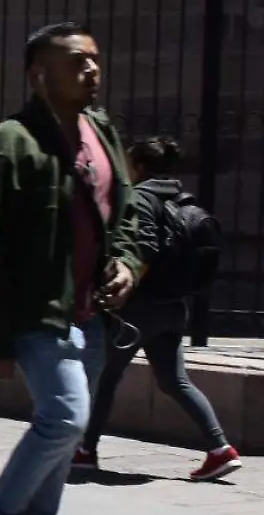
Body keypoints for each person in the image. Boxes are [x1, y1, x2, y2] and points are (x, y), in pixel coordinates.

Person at [0, 22, 145, 515]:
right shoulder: (8, 144)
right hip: (37, 313)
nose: (91, 71)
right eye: (76, 62)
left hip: (92, 312)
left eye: (95, 60)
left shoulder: (102, 131)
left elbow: (127, 211)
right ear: (39, 73)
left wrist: (128, 263)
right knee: (65, 420)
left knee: (68, 437)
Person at [77, 136, 241, 481]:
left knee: (105, 378)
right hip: (173, 307)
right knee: (175, 381)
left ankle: (86, 451)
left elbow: (145, 247)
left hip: (138, 308)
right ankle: (220, 449)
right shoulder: (182, 198)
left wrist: (125, 284)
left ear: (138, 166)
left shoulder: (139, 197)